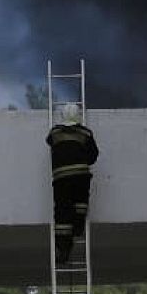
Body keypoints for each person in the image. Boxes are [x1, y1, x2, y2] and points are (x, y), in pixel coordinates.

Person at [47, 104, 98, 265]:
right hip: (81, 176)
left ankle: (63, 250)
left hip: (61, 177)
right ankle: (78, 227)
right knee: (80, 203)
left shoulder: (55, 132)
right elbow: (93, 155)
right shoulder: (85, 133)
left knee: (62, 212)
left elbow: (49, 143)